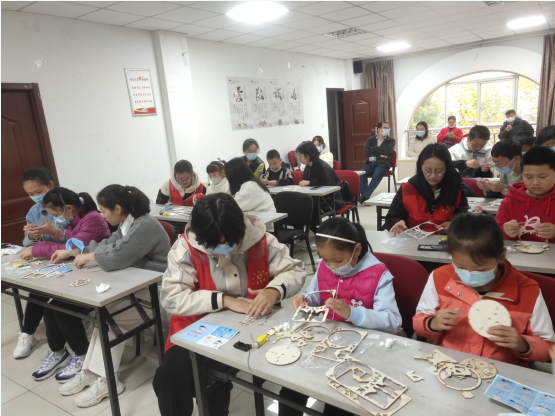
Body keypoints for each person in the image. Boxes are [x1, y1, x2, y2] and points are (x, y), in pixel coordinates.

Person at [152, 193, 306, 416]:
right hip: (198, 326)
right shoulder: (185, 247)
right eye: (215, 243)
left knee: (292, 369)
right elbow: (171, 297)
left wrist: (274, 290)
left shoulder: (262, 240)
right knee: (169, 379)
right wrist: (223, 300)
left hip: (253, 324)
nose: (223, 246)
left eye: (229, 241)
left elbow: (295, 270)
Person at [47, 185, 171, 408]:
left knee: (111, 319)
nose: (103, 216)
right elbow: (108, 244)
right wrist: (75, 252)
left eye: (104, 211)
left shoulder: (145, 225)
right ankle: (91, 371)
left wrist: (91, 256)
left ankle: (106, 379)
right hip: (137, 285)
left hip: (158, 291)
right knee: (105, 317)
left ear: (118, 208)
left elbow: (117, 257)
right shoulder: (127, 223)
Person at [279, 217, 402, 416]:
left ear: (357, 249)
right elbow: (315, 295)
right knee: (290, 391)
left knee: (337, 403)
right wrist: (306, 300)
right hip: (325, 342)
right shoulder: (325, 266)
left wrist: (352, 313)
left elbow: (393, 322)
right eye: (325, 259)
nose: (332, 266)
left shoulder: (379, 274)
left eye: (337, 261)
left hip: (360, 350)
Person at [413, 213, 553, 366]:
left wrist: (522, 344)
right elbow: (419, 321)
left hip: (500, 369)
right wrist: (432, 323)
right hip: (449, 365)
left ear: (501, 256)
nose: (469, 275)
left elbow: (548, 347)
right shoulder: (439, 278)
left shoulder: (528, 291)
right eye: (460, 267)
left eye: (480, 269)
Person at [14, 168, 63, 359]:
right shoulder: (34, 211)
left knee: (49, 292)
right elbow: (27, 244)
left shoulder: (68, 204)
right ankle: (27, 333)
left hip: (72, 258)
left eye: (38, 191)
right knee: (38, 288)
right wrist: (33, 237)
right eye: (30, 194)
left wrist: (53, 233)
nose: (35, 197)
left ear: (50, 185)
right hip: (48, 259)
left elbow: (76, 241)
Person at [385, 144, 469, 236]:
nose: (433, 176)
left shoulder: (456, 191)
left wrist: (454, 225)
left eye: (439, 171)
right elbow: (391, 218)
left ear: (447, 169)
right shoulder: (408, 189)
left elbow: (464, 220)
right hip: (412, 241)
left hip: (443, 241)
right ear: (421, 167)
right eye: (428, 171)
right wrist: (397, 222)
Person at [19, 188, 111, 260]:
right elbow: (75, 237)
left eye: (55, 215)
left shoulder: (93, 219)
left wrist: (38, 249)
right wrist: (55, 232)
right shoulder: (78, 216)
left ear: (69, 208)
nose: (55, 218)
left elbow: (74, 247)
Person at [496, 146, 555, 243]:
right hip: (517, 251)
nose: (535, 182)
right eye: (528, 177)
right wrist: (505, 230)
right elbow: (496, 232)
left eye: (543, 177)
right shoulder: (510, 200)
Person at [296, 141, 344, 231]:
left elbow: (329, 188)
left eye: (300, 155)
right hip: (316, 199)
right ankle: (299, 232)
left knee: (308, 206)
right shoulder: (308, 167)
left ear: (308, 155)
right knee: (296, 204)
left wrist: (310, 182)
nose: (299, 158)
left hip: (331, 200)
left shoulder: (322, 167)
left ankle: (316, 230)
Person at [226, 157, 277, 230]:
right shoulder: (249, 184)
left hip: (265, 227)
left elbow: (234, 207)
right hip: (256, 223)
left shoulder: (250, 186)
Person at [359, 121, 396, 203]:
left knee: (376, 175)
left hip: (383, 164)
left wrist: (373, 148)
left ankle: (364, 196)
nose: (387, 130)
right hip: (370, 163)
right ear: (379, 130)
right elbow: (366, 152)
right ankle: (366, 197)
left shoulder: (391, 140)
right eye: (385, 128)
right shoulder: (371, 139)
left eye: (388, 128)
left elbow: (387, 151)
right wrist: (380, 154)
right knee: (361, 175)